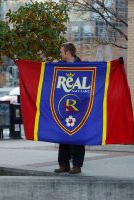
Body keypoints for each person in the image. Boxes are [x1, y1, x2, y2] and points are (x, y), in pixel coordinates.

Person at [54, 43, 85, 174]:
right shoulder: (59, 67)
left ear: (68, 53)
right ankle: (64, 165)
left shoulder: (83, 67)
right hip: (64, 108)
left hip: (79, 109)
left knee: (78, 137)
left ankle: (77, 166)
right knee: (63, 136)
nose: (60, 54)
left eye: (62, 52)